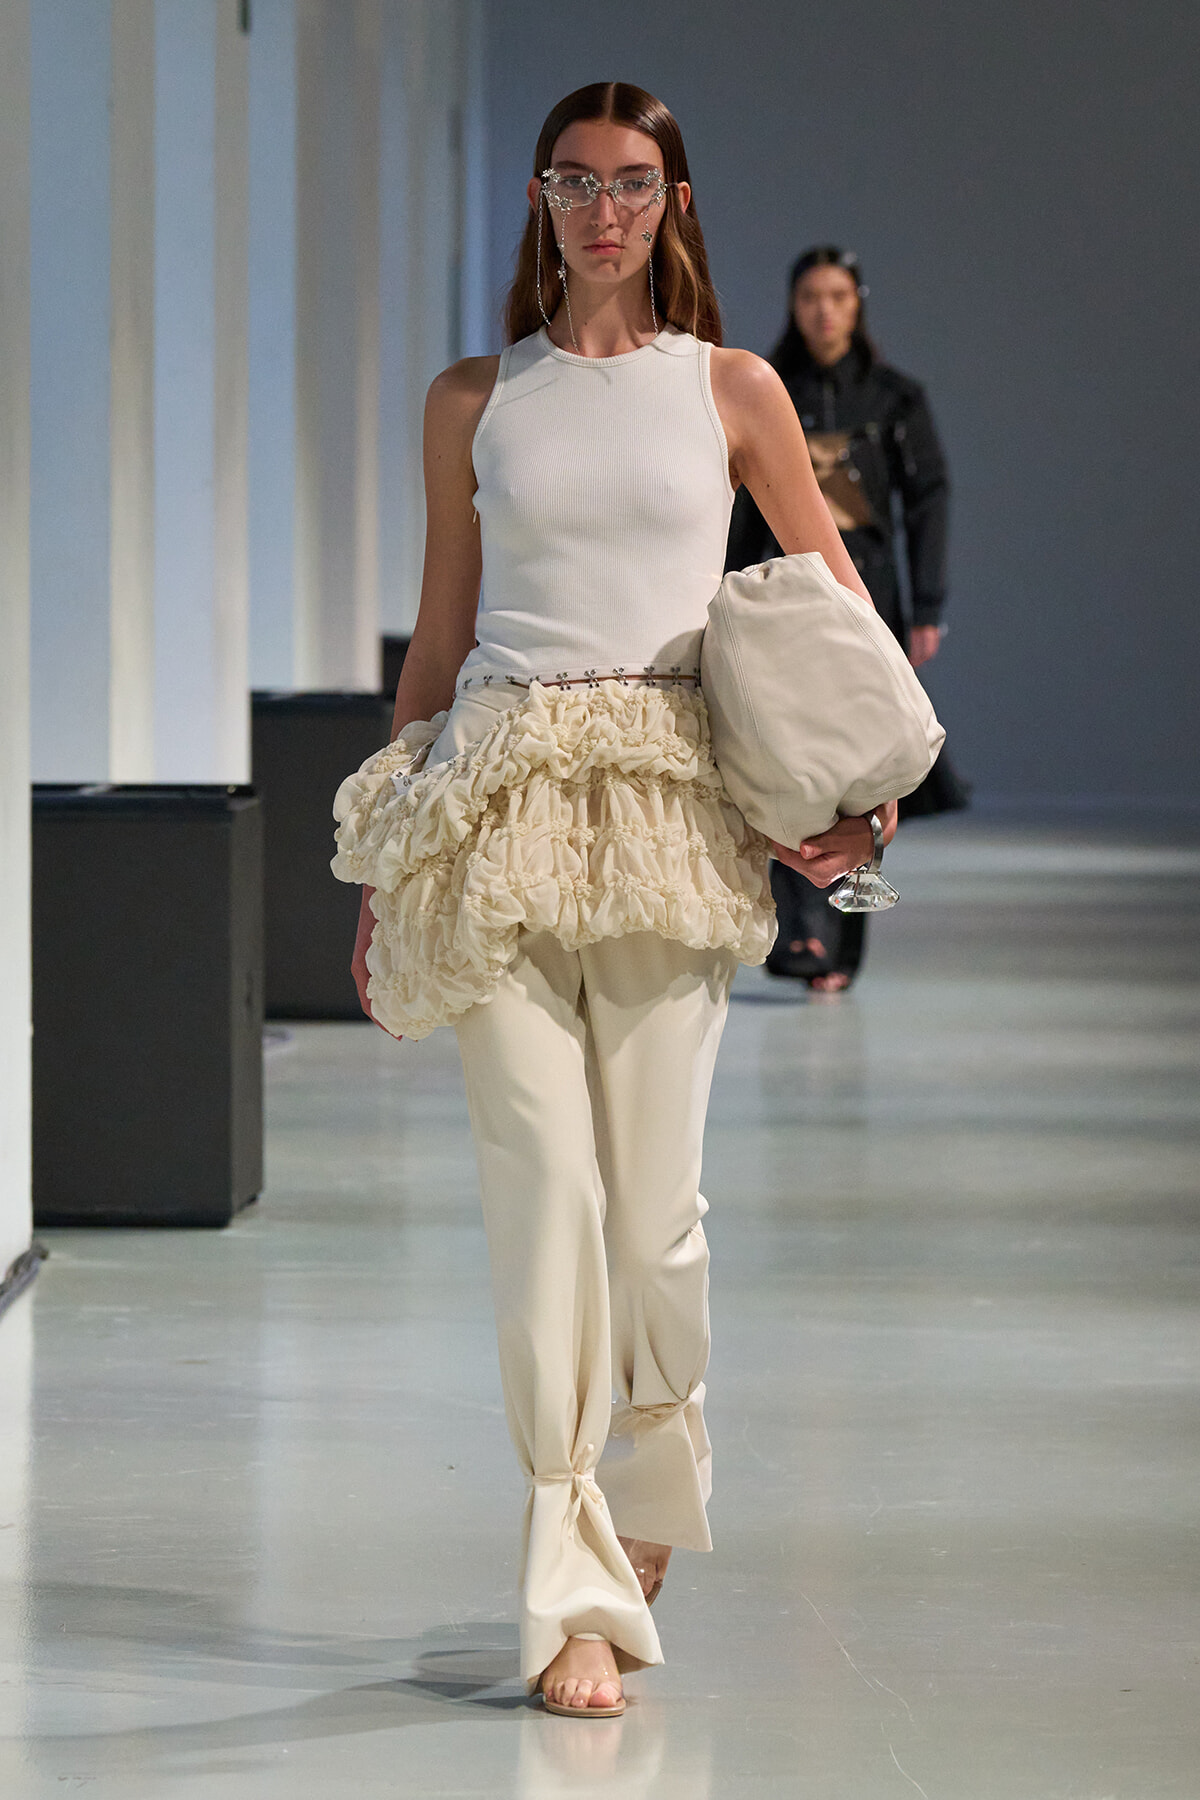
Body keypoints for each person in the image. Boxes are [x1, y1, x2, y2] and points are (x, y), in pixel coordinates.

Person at [334, 85, 897, 1717]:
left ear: (676, 202)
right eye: (576, 182)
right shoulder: (471, 400)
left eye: (633, 183)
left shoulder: (733, 388)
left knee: (652, 1215)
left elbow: (826, 603)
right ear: (539, 197)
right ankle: (571, 1580)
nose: (603, 209)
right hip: (495, 800)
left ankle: (654, 1471)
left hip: (666, 804)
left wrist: (854, 799)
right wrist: (390, 858)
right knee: (544, 1205)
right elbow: (439, 641)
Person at [727, 246, 965, 992]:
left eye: (836, 295)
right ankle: (802, 931)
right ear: (793, 306)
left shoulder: (896, 400)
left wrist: (926, 606)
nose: (823, 310)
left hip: (870, 598)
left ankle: (844, 945)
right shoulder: (768, 390)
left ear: (857, 302)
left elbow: (928, 500)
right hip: (784, 604)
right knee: (789, 757)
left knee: (864, 768)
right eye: (809, 297)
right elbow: (738, 499)